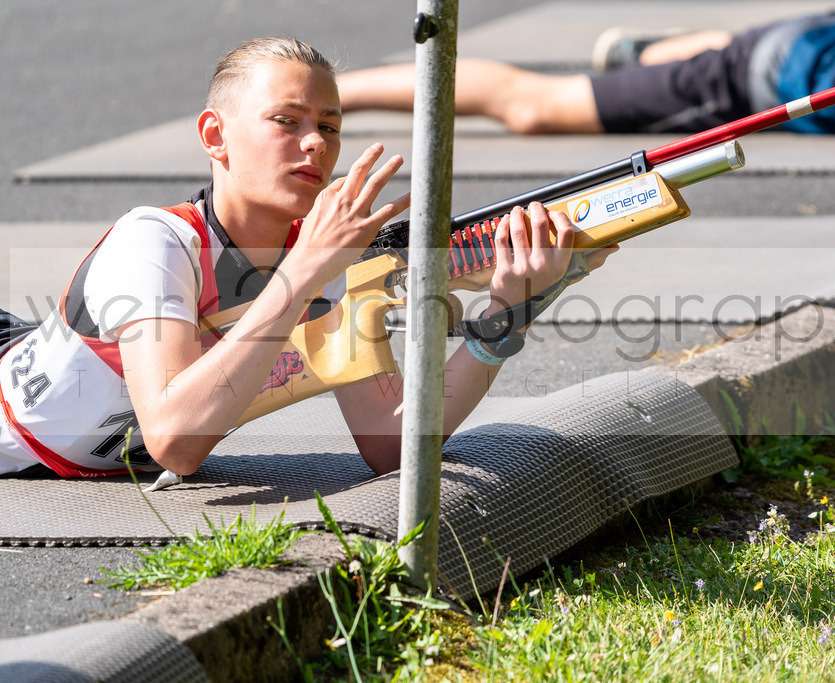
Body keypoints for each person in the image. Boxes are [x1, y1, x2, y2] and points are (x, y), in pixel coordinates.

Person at [0, 37, 613, 479]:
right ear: (215, 136)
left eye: (329, 124)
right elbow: (175, 441)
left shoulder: (317, 271)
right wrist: (300, 275)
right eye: (285, 121)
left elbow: (392, 445)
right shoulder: (157, 243)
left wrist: (509, 311)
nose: (315, 142)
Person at [335, 0, 835, 150]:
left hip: (826, 40)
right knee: (534, 105)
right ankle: (342, 89)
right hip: (760, 74)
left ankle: (652, 53)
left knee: (717, 52)